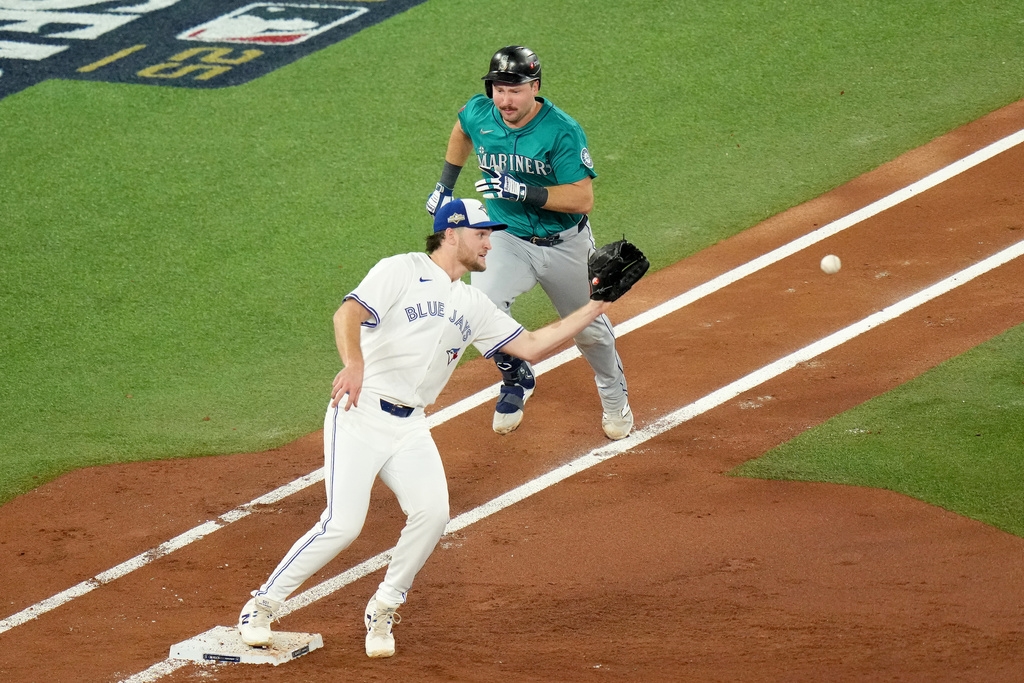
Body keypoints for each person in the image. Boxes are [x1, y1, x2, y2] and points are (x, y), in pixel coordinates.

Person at [237, 198, 620, 658]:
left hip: (411, 425)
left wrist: (597, 304)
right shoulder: (401, 269)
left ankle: (384, 606)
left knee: (433, 513)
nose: (490, 244)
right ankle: (262, 605)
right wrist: (354, 363)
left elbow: (533, 345)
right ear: (451, 234)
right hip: (360, 411)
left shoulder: (472, 302)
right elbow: (347, 314)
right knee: (343, 524)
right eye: (482, 234)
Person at [426, 45, 633, 441]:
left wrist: (525, 191)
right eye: (499, 89)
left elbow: (583, 198)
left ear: (534, 87)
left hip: (565, 244)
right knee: (478, 310)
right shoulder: (481, 113)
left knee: (589, 330)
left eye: (515, 90)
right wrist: (445, 185)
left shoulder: (561, 130)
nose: (505, 100)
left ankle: (614, 397)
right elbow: (463, 129)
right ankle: (515, 375)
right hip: (506, 239)